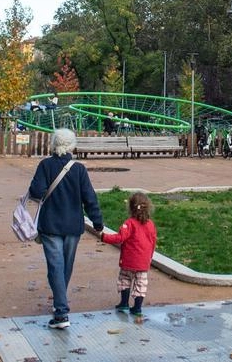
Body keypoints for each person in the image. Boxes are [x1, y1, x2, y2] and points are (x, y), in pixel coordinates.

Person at [28, 128, 103, 329]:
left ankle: (61, 312)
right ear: (71, 145)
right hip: (73, 226)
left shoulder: (45, 165)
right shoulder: (78, 169)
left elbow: (36, 191)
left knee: (55, 267)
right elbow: (89, 197)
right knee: (65, 267)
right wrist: (97, 222)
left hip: (51, 224)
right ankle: (60, 303)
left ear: (53, 144)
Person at [99, 192, 157, 317]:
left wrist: (104, 237)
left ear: (131, 208)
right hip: (143, 262)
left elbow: (120, 238)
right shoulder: (151, 224)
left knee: (125, 279)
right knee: (141, 283)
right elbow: (153, 242)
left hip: (129, 261)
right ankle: (137, 308)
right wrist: (150, 257)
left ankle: (124, 303)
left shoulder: (129, 223)